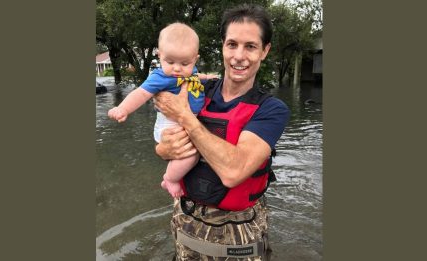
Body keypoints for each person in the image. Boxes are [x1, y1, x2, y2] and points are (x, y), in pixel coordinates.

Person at [154, 4, 290, 260]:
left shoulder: (271, 110)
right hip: (185, 222)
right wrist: (162, 148)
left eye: (250, 46)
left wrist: (185, 116)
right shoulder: (195, 90)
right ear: (222, 46)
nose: (239, 56)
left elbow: (233, 172)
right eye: (232, 44)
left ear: (265, 51)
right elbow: (163, 142)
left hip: (240, 234)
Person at [108, 22, 218, 198]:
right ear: (159, 56)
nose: (177, 68)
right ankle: (170, 179)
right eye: (170, 61)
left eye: (184, 63)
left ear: (195, 59)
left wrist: (209, 77)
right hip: (170, 125)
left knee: (197, 153)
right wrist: (123, 108)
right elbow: (140, 94)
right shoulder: (160, 77)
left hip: (187, 122)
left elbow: (197, 77)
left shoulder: (190, 72)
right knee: (190, 155)